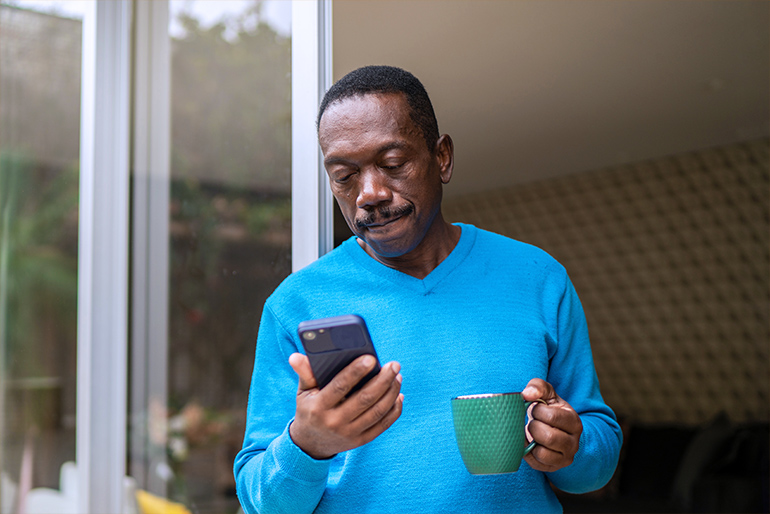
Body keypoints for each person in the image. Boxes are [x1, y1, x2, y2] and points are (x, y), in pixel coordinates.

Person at [234, 65, 622, 513]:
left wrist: (572, 446)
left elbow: (598, 459)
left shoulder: (539, 278)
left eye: (393, 164)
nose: (370, 193)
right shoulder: (295, 303)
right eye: (344, 176)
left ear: (442, 158)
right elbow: (261, 501)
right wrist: (306, 445)